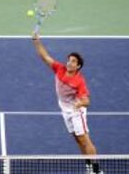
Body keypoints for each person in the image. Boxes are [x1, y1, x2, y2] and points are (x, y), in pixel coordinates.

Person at [32, 33, 103, 174]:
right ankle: (88, 164)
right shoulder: (59, 69)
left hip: (77, 111)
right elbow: (45, 57)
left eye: (73, 62)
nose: (69, 63)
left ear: (78, 66)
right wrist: (36, 42)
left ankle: (96, 169)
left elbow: (87, 100)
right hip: (65, 110)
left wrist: (79, 104)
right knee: (77, 139)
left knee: (85, 140)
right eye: (69, 60)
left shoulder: (79, 81)